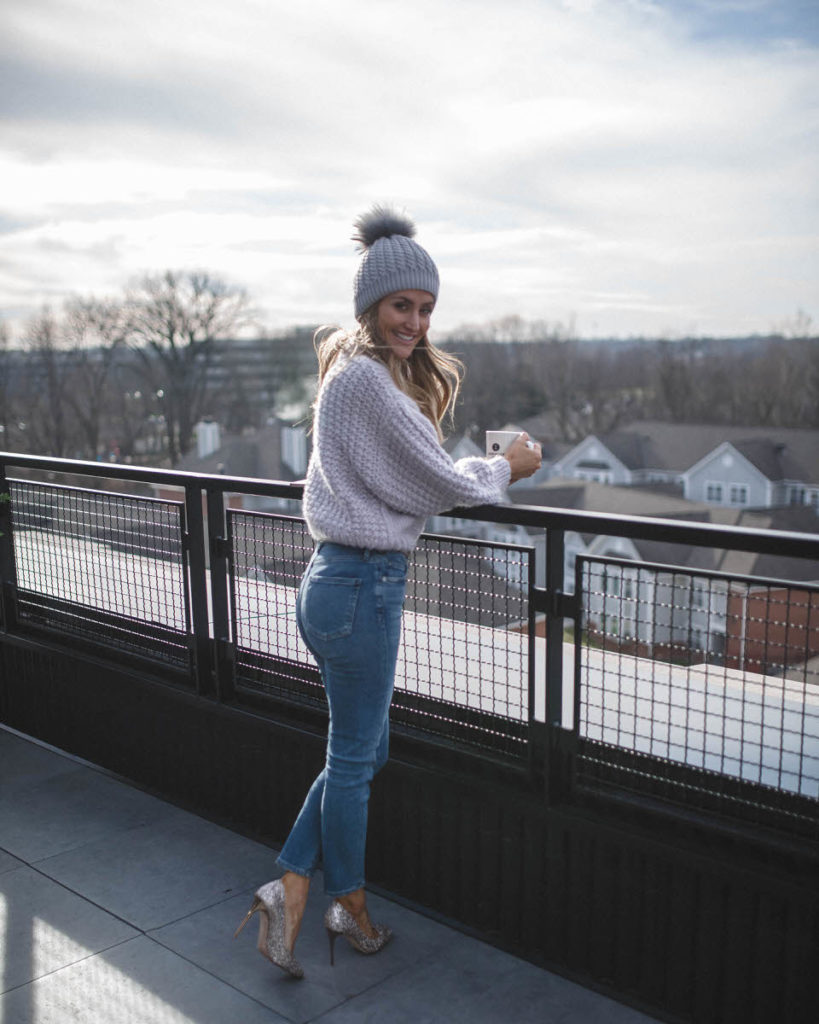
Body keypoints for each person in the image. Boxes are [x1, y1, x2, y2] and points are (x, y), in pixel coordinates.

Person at [234, 205, 541, 978]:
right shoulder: (366, 381)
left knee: (363, 752)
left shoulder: (351, 376)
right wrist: (509, 467)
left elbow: (408, 473)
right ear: (370, 305)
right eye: (402, 305)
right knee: (355, 756)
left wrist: (476, 467)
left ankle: (291, 887)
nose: (415, 321)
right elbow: (437, 483)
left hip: (341, 582)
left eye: (426, 308)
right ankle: (348, 902)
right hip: (360, 586)